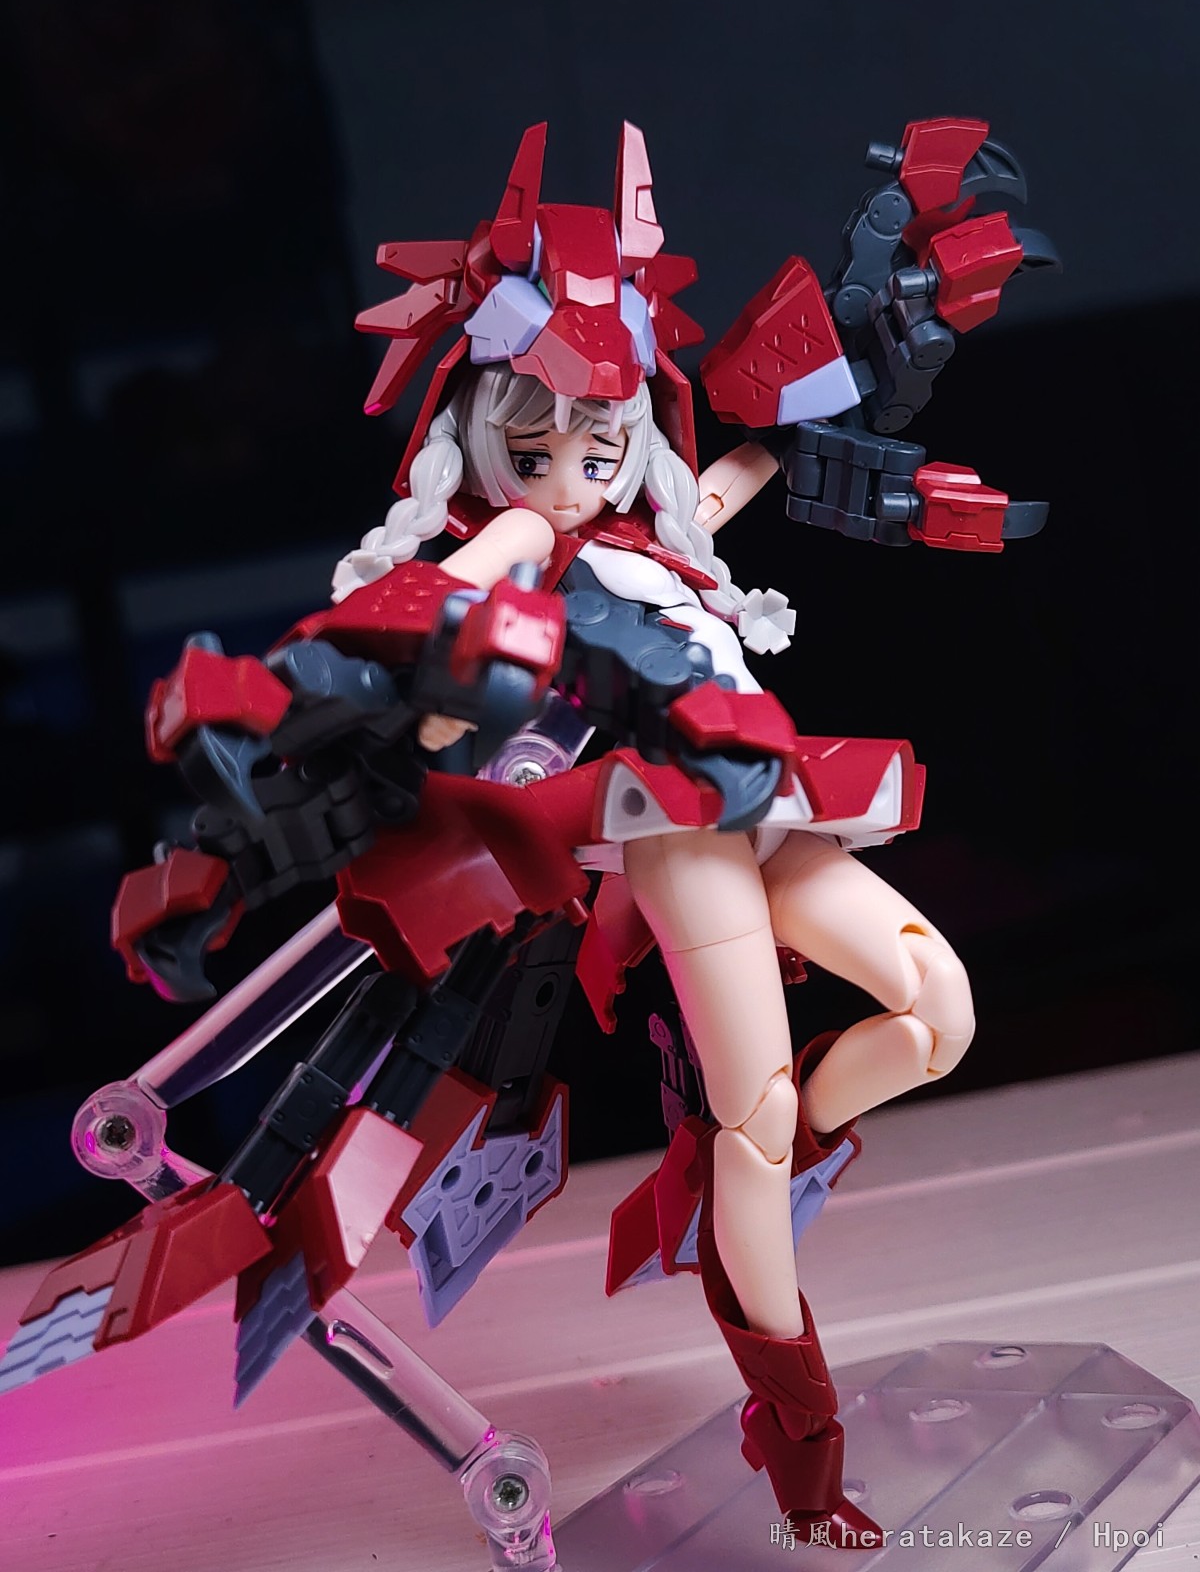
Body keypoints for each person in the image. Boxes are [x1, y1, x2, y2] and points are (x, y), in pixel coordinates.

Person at [331, 360, 975, 1541]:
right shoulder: (527, 536)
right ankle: (800, 1438)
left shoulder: (658, 534)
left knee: (939, 1010)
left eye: (596, 452)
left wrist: (845, 392)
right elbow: (437, 592)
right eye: (534, 455)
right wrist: (368, 659)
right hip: (677, 828)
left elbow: (734, 474)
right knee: (755, 1113)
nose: (569, 482)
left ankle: (749, 1159)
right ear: (487, 455)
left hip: (770, 798)